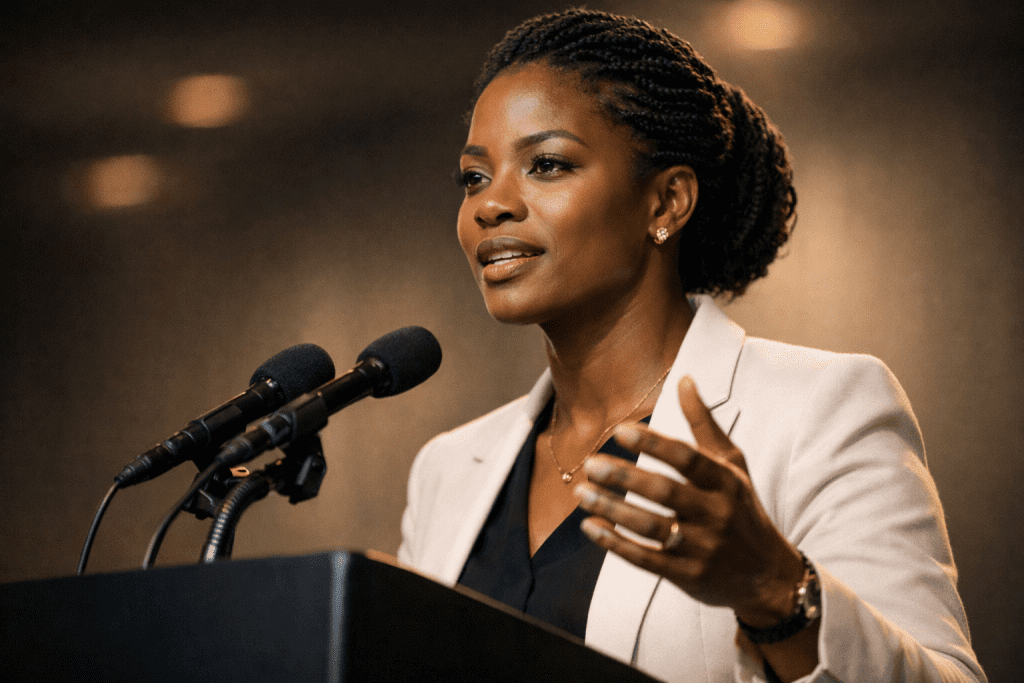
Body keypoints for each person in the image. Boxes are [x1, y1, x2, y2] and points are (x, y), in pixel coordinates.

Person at [398, 9, 985, 683]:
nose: (489, 205)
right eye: (474, 176)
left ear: (666, 202)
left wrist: (772, 588)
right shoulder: (446, 470)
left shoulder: (822, 410)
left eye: (547, 164)